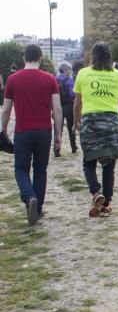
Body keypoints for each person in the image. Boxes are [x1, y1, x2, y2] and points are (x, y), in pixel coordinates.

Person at [0, 44, 62, 224]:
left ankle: (29, 197)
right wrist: (58, 135)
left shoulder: (13, 79)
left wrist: (3, 131)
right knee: (40, 169)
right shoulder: (50, 79)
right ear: (40, 58)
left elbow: (6, 110)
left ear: (23, 58)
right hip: (44, 131)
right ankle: (38, 207)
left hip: (22, 131)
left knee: (21, 169)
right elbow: (57, 109)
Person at [73, 42, 118, 218]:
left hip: (90, 122)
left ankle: (96, 193)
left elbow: (77, 102)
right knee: (108, 165)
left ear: (93, 56)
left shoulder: (83, 73)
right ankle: (106, 203)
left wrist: (76, 122)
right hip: (111, 122)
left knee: (88, 162)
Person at [56, 61, 78, 153]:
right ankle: (73, 147)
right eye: (68, 69)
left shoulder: (55, 79)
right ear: (65, 70)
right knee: (70, 127)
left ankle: (56, 150)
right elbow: (72, 94)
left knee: (58, 129)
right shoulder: (70, 80)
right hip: (69, 106)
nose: (70, 71)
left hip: (57, 105)